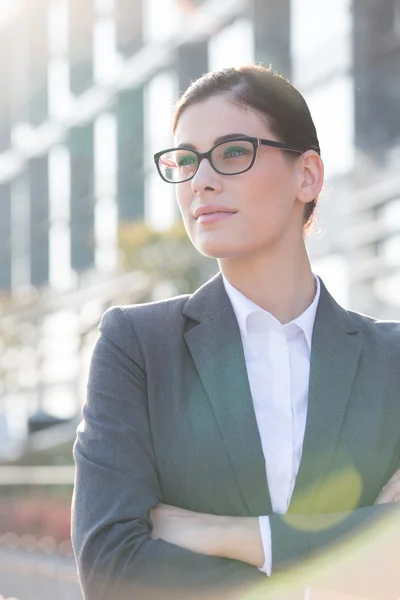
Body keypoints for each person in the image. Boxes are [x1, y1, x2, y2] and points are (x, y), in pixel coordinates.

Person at [71, 64, 400, 600]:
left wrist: (239, 536)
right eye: (184, 161)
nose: (200, 180)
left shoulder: (393, 360)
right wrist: (361, 541)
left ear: (307, 176)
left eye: (231, 153)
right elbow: (110, 569)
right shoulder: (138, 345)